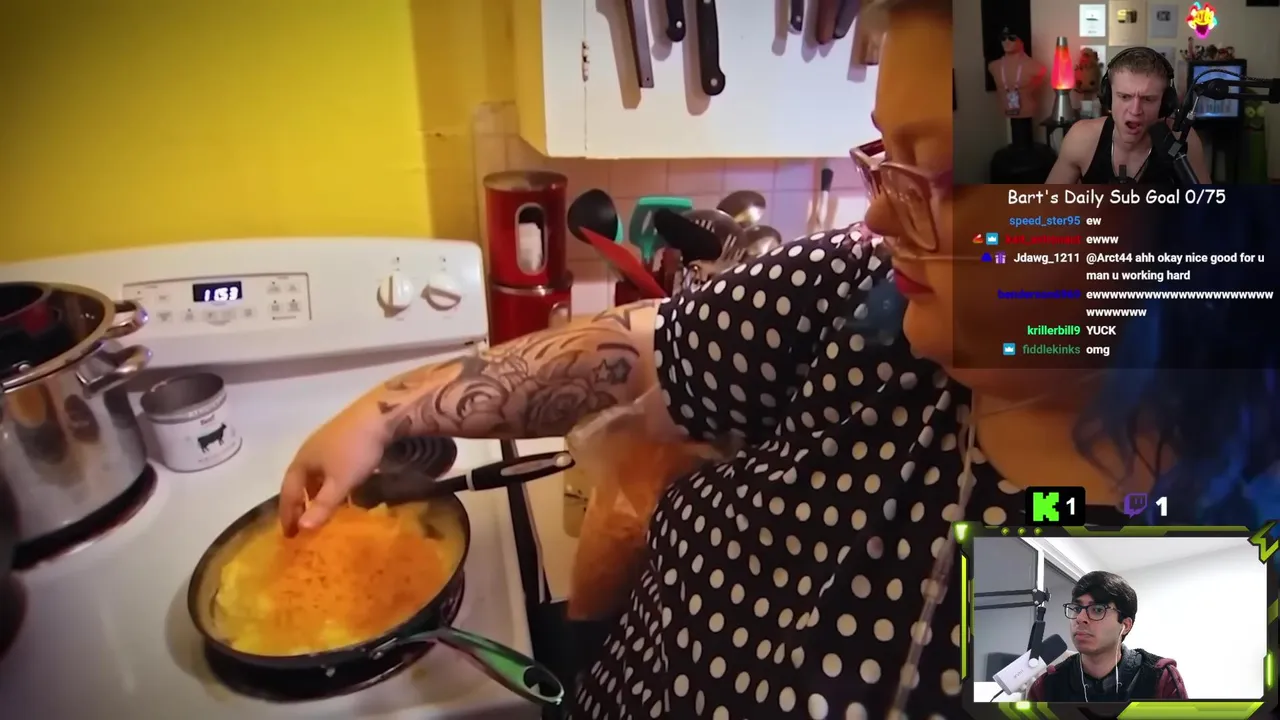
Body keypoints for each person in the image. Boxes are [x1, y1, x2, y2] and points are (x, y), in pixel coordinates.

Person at [278, 0, 1279, 717]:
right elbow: (648, 347)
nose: (878, 216)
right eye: (883, 156)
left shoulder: (1203, 569)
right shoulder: (864, 291)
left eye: (932, 173)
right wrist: (387, 411)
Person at [1046, 47, 1212, 185]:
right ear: (1109, 97)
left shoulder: (1183, 141)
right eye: (1125, 97)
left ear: (1165, 103)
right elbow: (1046, 205)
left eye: (1148, 99)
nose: (1135, 110)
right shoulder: (1081, 138)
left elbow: (1208, 208)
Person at [1025, 571, 1187, 701]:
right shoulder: (1048, 685)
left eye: (1097, 610)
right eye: (1077, 608)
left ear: (1125, 625)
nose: (1080, 618)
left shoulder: (1160, 678)